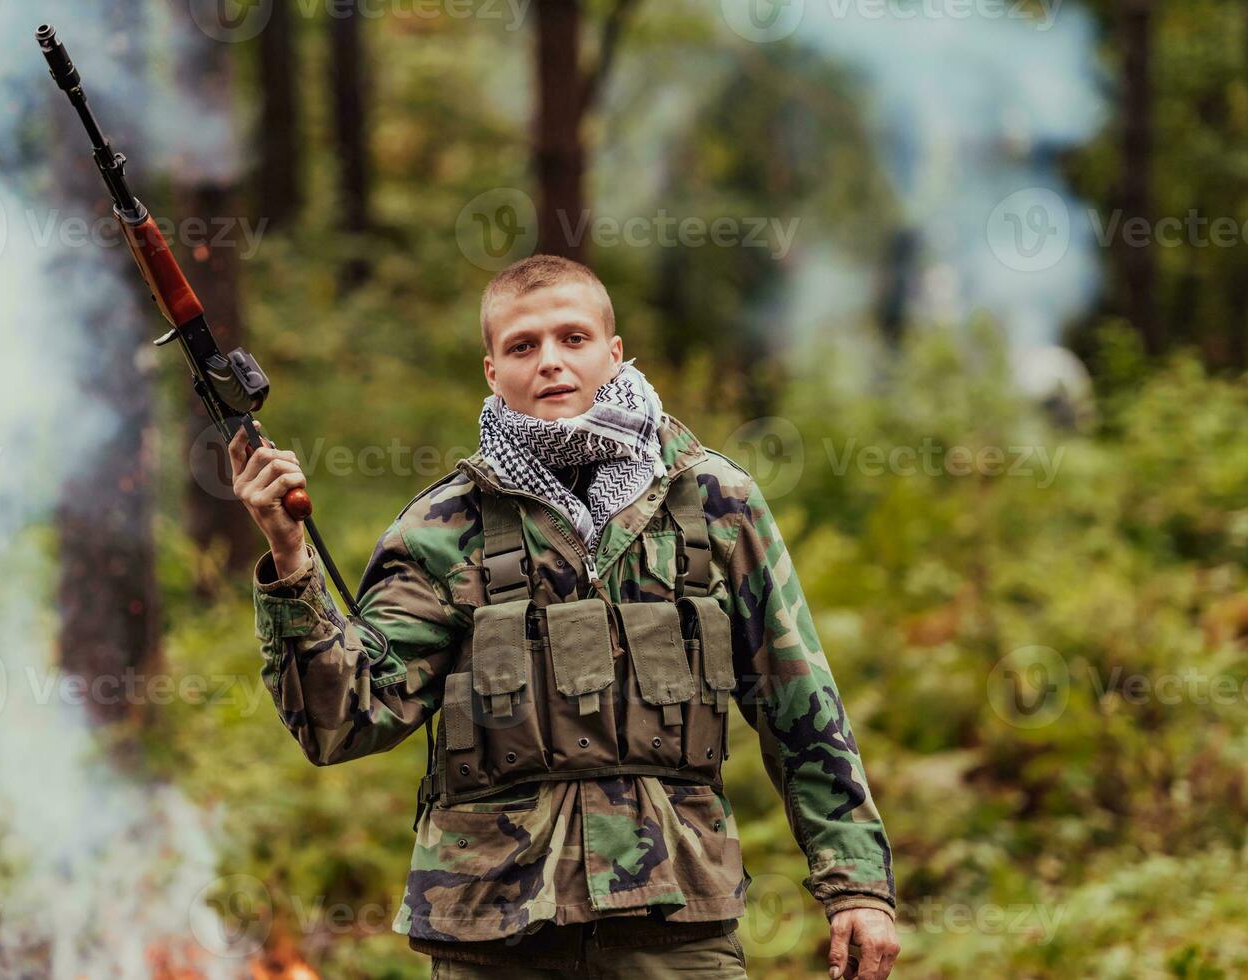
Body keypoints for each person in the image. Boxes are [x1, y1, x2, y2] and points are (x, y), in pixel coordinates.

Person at [229, 255, 900, 979]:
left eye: (572, 338)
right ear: (492, 371)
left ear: (613, 353)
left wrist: (856, 887)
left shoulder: (713, 502)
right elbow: (344, 719)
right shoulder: (441, 529)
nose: (550, 361)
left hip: (674, 930)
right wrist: (291, 558)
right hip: (495, 938)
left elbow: (800, 704)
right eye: (523, 346)